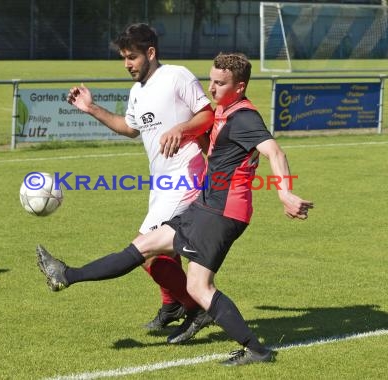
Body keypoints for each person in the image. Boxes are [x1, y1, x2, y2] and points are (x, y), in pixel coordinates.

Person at [37, 52, 313, 365]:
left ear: (240, 87)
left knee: (199, 286)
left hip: (222, 213)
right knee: (146, 247)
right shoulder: (224, 111)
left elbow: (274, 152)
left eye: (220, 84)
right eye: (211, 80)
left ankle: (258, 351)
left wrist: (285, 192)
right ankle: (66, 274)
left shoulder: (244, 117)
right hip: (206, 206)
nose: (212, 88)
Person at [64, 23, 214, 335]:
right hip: (162, 183)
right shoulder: (137, 92)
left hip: (187, 176)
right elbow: (130, 128)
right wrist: (90, 108)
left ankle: (197, 307)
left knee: (145, 251)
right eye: (123, 58)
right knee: (164, 253)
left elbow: (207, 114)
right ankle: (173, 304)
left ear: (150, 53)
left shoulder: (176, 76)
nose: (127, 64)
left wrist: (181, 130)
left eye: (131, 57)